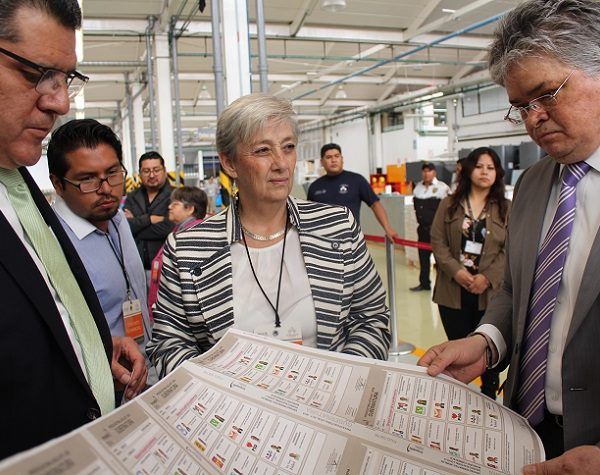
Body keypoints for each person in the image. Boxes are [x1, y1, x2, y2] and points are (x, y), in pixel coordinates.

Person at [419, 1, 600, 472]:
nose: (532, 118)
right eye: (521, 106)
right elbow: (521, 289)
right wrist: (487, 342)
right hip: (524, 427)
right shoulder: (536, 183)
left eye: (546, 94)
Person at [147, 93, 391, 377]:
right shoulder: (188, 247)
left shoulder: (337, 227)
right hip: (234, 413)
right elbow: (168, 341)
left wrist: (339, 381)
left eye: (288, 147)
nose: (281, 163)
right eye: (263, 150)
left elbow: (371, 319)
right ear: (229, 163)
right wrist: (215, 392)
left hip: (327, 406)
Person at [0, 0, 145, 459]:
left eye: (66, 79)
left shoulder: (17, 182)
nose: (59, 101)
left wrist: (90, 344)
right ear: (61, 186)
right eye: (36, 73)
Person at [48, 119, 155, 396]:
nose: (106, 188)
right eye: (87, 179)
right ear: (58, 184)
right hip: (103, 386)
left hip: (147, 369)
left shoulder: (117, 218)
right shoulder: (52, 245)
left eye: (113, 173)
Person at [430, 148, 510, 399]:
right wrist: (456, 271)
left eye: (491, 167)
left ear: (497, 173)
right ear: (468, 170)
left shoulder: (506, 207)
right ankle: (457, 400)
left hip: (488, 292)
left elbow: (512, 247)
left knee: (488, 350)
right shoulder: (450, 204)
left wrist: (486, 277)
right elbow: (437, 241)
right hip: (452, 291)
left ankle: (489, 396)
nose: (485, 172)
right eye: (479, 166)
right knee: (455, 349)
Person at [307, 143, 399, 240]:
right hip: (323, 242)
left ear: (342, 159)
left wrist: (387, 227)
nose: (333, 160)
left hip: (351, 241)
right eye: (329, 157)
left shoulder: (356, 180)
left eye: (337, 156)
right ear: (322, 162)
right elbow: (309, 215)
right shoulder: (315, 187)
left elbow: (375, 204)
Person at [148, 185, 207, 319]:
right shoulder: (180, 232)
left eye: (175, 204)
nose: (169, 207)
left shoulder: (192, 236)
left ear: (190, 209)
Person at [124, 151, 173, 272]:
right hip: (137, 267)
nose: (151, 175)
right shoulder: (132, 197)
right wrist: (149, 219)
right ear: (140, 173)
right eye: (146, 171)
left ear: (164, 171)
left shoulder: (175, 196)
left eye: (156, 170)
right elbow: (126, 227)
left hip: (167, 268)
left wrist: (136, 227)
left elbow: (169, 227)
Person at [410, 162, 450, 291]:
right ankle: (424, 283)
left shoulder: (442, 188)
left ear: (434, 173)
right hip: (422, 229)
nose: (426, 173)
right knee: (423, 258)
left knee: (440, 259)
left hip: (437, 230)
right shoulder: (417, 188)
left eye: (429, 171)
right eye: (424, 171)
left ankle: (442, 286)